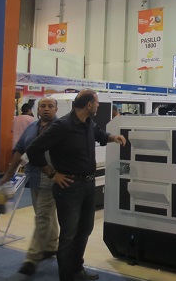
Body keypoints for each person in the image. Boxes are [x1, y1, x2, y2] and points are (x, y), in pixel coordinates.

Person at [26, 89, 127, 281]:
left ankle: (77, 270)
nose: (98, 106)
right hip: (69, 187)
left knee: (84, 230)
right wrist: (52, 174)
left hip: (87, 185)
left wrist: (113, 137)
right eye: (96, 103)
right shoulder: (62, 125)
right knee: (69, 234)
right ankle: (67, 276)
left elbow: (98, 134)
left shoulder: (88, 123)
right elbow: (34, 150)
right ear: (89, 105)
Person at [0, 97, 59, 275]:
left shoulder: (61, 128)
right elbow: (19, 150)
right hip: (34, 177)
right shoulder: (32, 127)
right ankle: (51, 245)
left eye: (50, 106)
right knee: (45, 214)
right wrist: (9, 174)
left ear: (56, 109)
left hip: (52, 178)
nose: (46, 109)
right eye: (42, 106)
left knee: (42, 216)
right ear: (37, 109)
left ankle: (32, 258)